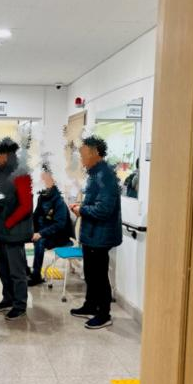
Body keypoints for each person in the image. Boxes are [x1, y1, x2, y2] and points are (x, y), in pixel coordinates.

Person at [69, 136, 122, 329]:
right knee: (90, 273)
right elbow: (95, 202)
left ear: (95, 152)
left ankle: (104, 313)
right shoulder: (94, 174)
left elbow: (104, 209)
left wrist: (81, 210)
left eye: (83, 154)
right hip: (91, 234)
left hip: (101, 235)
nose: (81, 158)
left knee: (98, 276)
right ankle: (90, 305)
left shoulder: (105, 175)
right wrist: (81, 206)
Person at [0, 137, 33, 320]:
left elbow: (26, 206)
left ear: (5, 155)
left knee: (17, 271)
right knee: (3, 268)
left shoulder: (21, 174)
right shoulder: (1, 173)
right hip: (1, 231)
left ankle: (19, 304)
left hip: (14, 231)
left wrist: (8, 223)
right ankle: (8, 299)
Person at [28, 165, 74, 286]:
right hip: (46, 232)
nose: (41, 179)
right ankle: (26, 270)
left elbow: (60, 225)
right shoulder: (42, 197)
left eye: (44, 176)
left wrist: (40, 233)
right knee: (21, 237)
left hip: (60, 237)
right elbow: (36, 215)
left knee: (40, 241)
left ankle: (36, 275)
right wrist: (28, 229)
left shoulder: (59, 201)